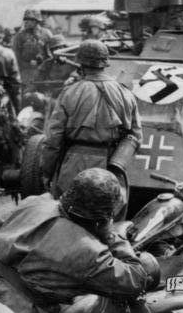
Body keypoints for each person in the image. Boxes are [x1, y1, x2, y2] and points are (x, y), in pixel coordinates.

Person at [0, 168, 157, 313]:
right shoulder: (88, 251)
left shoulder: (34, 203)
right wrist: (112, 236)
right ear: (101, 219)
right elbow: (137, 281)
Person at [40, 39, 141, 206]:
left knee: (69, 215)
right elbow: (136, 136)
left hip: (74, 164)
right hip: (110, 166)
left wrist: (47, 172)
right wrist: (117, 165)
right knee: (105, 216)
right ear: (105, 63)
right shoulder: (126, 93)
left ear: (80, 63)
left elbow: (53, 140)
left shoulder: (69, 92)